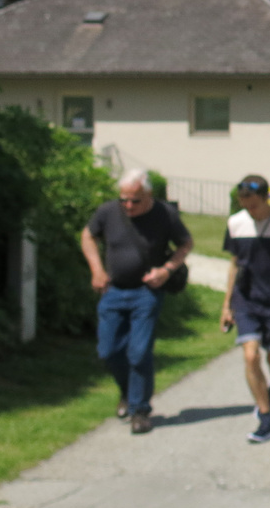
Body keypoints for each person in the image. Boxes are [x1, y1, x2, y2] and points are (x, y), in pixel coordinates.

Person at [80, 169, 193, 434]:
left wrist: (166, 270)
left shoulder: (165, 214)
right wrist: (97, 270)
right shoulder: (108, 212)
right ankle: (127, 393)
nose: (128, 205)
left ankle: (140, 410)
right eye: (124, 200)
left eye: (135, 200)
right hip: (113, 291)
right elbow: (88, 236)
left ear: (148, 195)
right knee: (107, 350)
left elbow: (185, 243)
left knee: (139, 351)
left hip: (146, 292)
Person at [219, 175, 270, 444]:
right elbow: (234, 264)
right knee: (251, 356)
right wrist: (227, 305)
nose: (248, 209)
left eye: (253, 204)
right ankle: (267, 419)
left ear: (266, 198)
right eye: (244, 203)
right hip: (246, 300)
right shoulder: (235, 223)